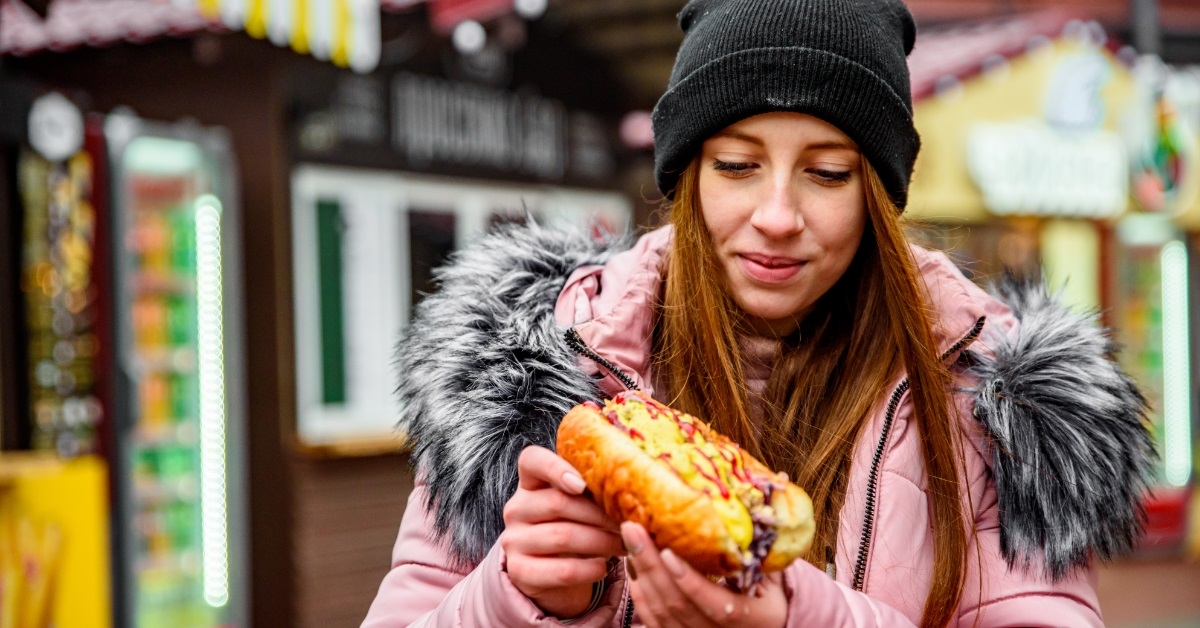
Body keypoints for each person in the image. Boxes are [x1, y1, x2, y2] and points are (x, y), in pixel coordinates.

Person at [363, 0, 1154, 626]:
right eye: (738, 165)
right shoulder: (533, 373)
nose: (777, 214)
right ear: (690, 175)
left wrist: (796, 620)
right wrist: (523, 602)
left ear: (878, 196)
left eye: (829, 173)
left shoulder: (992, 402)